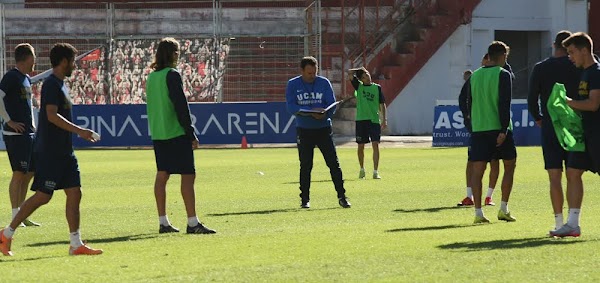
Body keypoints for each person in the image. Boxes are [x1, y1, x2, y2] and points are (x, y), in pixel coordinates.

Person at [0, 43, 102, 256]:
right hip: (50, 151)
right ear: (64, 62)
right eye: (72, 61)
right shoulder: (51, 85)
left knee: (75, 192)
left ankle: (76, 244)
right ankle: (6, 234)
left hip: (65, 151)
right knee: (43, 196)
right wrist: (80, 131)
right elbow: (51, 115)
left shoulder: (61, 84)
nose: (74, 65)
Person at [146, 37, 216, 234]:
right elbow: (180, 106)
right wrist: (191, 133)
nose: (178, 55)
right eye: (176, 52)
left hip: (159, 132)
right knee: (188, 175)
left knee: (162, 174)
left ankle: (163, 222)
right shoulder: (172, 75)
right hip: (175, 131)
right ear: (171, 54)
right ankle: (192, 223)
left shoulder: (151, 77)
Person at [528, 30, 581, 230]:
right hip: (574, 126)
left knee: (554, 176)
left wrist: (539, 118)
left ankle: (558, 222)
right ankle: (573, 221)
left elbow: (532, 98)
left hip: (551, 127)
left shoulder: (541, 68)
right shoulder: (577, 65)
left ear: (554, 45)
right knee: (574, 175)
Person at [459, 41, 517, 224]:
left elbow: (465, 102)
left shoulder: (474, 76)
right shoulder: (503, 74)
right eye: (505, 57)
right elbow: (504, 103)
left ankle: (478, 213)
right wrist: (503, 129)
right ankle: (503, 208)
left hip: (479, 129)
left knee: (478, 170)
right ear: (501, 56)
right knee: (509, 165)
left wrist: (471, 125)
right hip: (499, 128)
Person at [549, 32, 600, 237]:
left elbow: (594, 104)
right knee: (572, 172)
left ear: (584, 50)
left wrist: (567, 102)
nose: (569, 56)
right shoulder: (585, 72)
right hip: (584, 135)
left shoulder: (596, 72)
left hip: (597, 134)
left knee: (573, 172)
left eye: (571, 52)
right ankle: (573, 224)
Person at [286, 56, 351, 209]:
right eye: (309, 73)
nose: (312, 76)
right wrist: (309, 112)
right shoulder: (293, 84)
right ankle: (305, 199)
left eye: (314, 72)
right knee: (306, 165)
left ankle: (342, 196)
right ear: (301, 71)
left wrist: (325, 114)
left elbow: (331, 104)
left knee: (333, 164)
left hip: (323, 129)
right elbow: (291, 107)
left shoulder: (324, 83)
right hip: (304, 130)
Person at [0, 43, 40, 227]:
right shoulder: (11, 77)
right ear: (26, 58)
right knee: (18, 173)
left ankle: (22, 213)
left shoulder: (25, 79)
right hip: (15, 134)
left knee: (30, 172)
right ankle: (16, 215)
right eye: (34, 57)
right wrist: (9, 121)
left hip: (28, 133)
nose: (36, 61)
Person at [458, 54, 500, 207]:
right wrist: (468, 116)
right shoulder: (475, 76)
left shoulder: (502, 73)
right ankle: (470, 196)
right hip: (478, 127)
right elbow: (463, 98)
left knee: (494, 162)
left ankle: (489, 196)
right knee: (473, 162)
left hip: (495, 126)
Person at [347, 67, 387, 179]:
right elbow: (350, 73)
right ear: (361, 80)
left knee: (375, 144)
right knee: (361, 146)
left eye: (367, 74)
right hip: (361, 120)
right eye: (364, 77)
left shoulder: (377, 88)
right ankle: (362, 169)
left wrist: (384, 119)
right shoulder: (359, 87)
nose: (367, 77)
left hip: (374, 120)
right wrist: (359, 69)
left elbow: (382, 104)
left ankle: (375, 171)